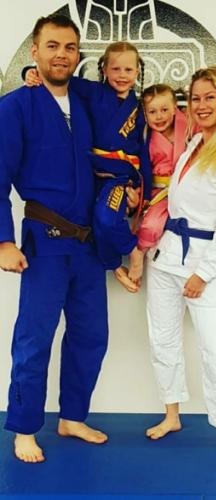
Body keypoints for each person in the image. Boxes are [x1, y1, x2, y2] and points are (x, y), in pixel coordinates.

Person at [0, 14, 113, 463]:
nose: (61, 54)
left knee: (92, 335)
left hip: (88, 243)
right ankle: (24, 428)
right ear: (35, 51)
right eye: (52, 46)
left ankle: (72, 417)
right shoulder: (15, 107)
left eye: (69, 47)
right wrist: (3, 241)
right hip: (43, 243)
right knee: (34, 337)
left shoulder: (86, 101)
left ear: (78, 53)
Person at [144, 66, 216, 461]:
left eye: (210, 97)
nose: (202, 105)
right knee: (163, 339)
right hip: (166, 257)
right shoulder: (193, 142)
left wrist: (204, 273)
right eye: (196, 98)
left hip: (204, 263)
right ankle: (171, 414)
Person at [25, 41, 152, 292]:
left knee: (106, 219)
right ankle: (115, 263)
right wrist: (29, 72)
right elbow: (58, 78)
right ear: (104, 69)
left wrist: (144, 195)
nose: (122, 75)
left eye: (128, 70)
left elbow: (144, 151)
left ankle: (133, 251)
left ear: (138, 71)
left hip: (119, 177)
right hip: (89, 174)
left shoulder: (139, 109)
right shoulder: (93, 92)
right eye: (115, 69)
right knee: (94, 224)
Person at [136, 84, 188, 252]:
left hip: (188, 189)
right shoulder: (145, 136)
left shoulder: (188, 125)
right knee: (150, 225)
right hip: (160, 193)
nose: (159, 116)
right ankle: (139, 255)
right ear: (145, 113)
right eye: (152, 112)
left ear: (174, 108)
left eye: (164, 110)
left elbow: (215, 130)